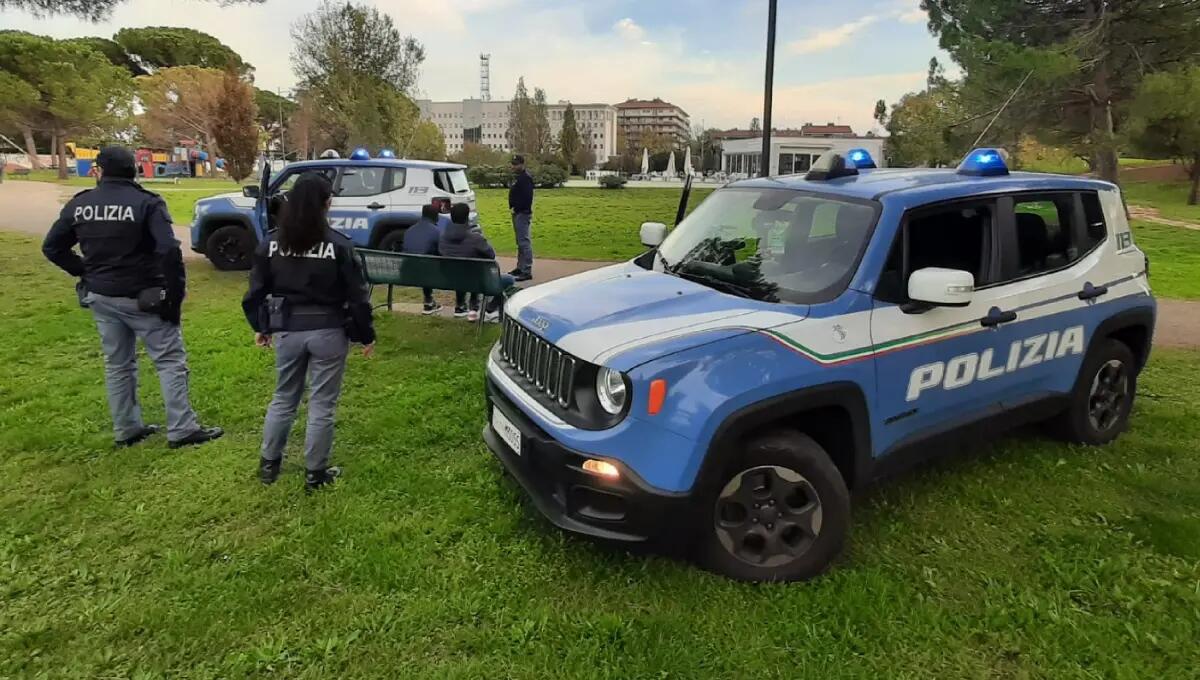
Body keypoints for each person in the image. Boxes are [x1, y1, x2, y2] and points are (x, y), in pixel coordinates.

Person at [41, 147, 223, 449]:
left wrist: (86, 272)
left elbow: (53, 247)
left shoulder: (81, 204)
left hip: (101, 295)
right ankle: (182, 429)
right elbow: (168, 249)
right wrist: (174, 294)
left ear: (99, 170)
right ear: (133, 170)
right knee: (170, 362)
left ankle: (126, 428)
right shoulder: (146, 203)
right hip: (144, 296)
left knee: (117, 364)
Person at [242, 173, 376, 491]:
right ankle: (315, 473)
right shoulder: (339, 246)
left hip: (287, 330)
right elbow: (357, 296)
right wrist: (365, 334)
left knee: (283, 398)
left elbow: (255, 291)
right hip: (329, 331)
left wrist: (262, 325)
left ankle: (268, 465)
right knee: (322, 404)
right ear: (327, 204)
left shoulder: (272, 243)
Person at [439, 202, 515, 323]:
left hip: (450, 278)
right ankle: (487, 309)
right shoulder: (475, 238)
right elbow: (491, 255)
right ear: (467, 217)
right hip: (475, 279)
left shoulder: (442, 238)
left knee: (462, 270)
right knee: (509, 279)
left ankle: (461, 307)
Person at [403, 203, 445, 315]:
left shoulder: (410, 230)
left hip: (406, 273)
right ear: (435, 216)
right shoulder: (436, 232)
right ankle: (461, 305)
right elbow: (442, 254)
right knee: (428, 264)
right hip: (427, 273)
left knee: (423, 263)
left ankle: (429, 301)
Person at [508, 155, 534, 282]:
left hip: (522, 213)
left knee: (524, 242)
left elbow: (527, 198)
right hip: (517, 213)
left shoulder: (525, 179)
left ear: (522, 164)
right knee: (520, 242)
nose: (513, 166)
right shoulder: (518, 178)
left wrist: (517, 208)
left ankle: (526, 270)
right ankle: (520, 267)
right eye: (513, 164)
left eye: (516, 164)